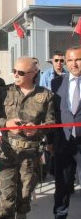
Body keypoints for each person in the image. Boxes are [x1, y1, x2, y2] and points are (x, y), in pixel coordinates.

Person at [0, 57, 55, 219]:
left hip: (30, 156)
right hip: (7, 152)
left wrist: (37, 130)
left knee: (24, 198)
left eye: (20, 72)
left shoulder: (45, 95)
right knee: (7, 198)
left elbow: (51, 123)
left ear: (33, 73)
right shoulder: (5, 91)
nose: (15, 75)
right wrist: (7, 123)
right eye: (14, 71)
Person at [51, 45, 81, 219]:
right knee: (62, 185)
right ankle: (60, 215)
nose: (73, 64)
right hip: (63, 142)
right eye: (69, 60)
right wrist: (49, 141)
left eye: (77, 59)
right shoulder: (56, 83)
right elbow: (53, 112)